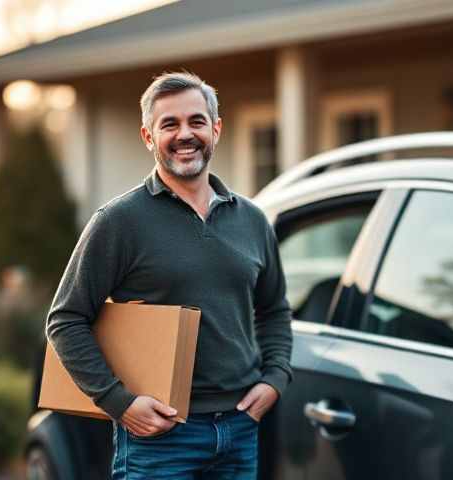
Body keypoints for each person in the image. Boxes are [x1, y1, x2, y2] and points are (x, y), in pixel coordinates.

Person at [45, 71, 293, 479]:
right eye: (170, 125)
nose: (185, 134)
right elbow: (65, 319)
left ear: (216, 129)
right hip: (159, 438)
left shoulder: (252, 220)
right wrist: (118, 402)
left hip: (239, 429)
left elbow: (274, 309)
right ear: (148, 137)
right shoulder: (119, 222)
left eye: (196, 121)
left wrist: (276, 378)